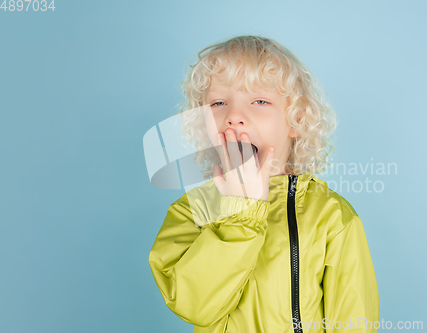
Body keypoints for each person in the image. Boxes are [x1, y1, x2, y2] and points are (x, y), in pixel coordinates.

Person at [148, 35, 380, 333]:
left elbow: (354, 322)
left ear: (296, 119)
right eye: (218, 102)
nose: (233, 116)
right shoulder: (193, 210)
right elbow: (194, 305)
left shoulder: (332, 216)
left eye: (259, 101)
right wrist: (240, 213)